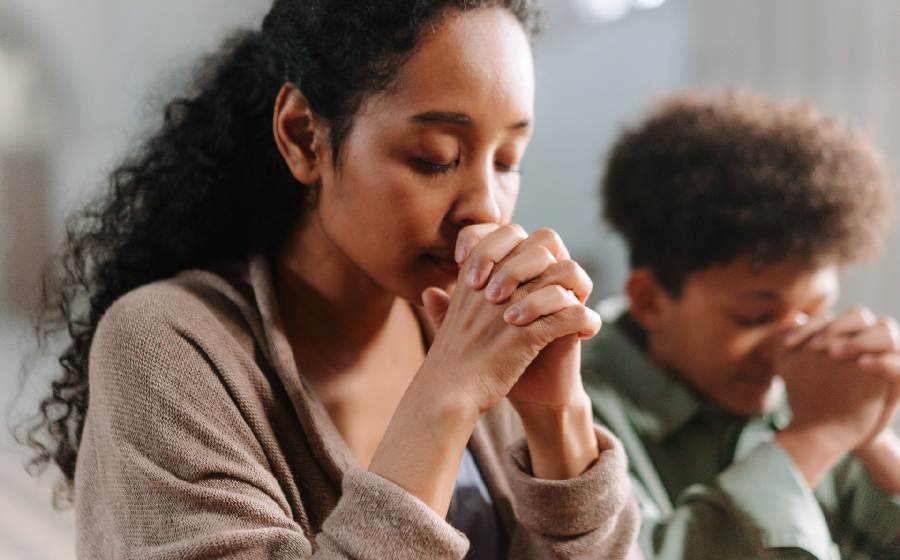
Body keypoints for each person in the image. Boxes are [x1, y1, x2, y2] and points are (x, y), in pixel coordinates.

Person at [19, 1, 643, 558]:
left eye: (508, 161)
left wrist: (557, 421)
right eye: (435, 157)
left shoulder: (472, 333)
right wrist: (441, 403)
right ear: (303, 136)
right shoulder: (166, 347)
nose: (486, 204)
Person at [583, 91, 900, 559]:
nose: (792, 343)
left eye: (816, 310)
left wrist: (870, 434)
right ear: (650, 301)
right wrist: (815, 439)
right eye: (756, 317)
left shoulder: (810, 393)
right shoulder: (569, 404)